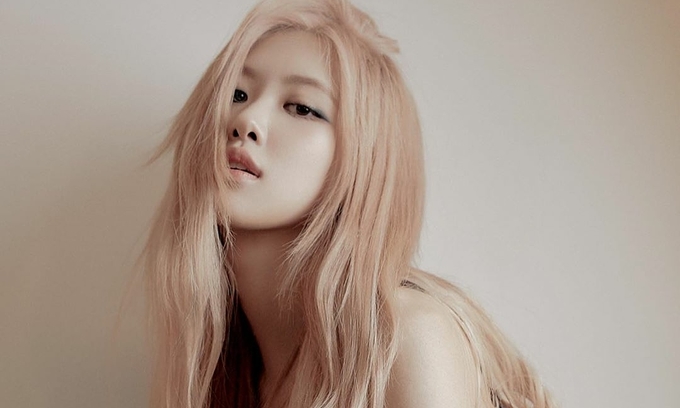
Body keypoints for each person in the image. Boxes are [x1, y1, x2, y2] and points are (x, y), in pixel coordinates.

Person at [141, 0, 557, 407]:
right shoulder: (227, 376)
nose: (246, 120)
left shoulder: (408, 339)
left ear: (364, 158)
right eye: (237, 93)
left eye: (301, 108)